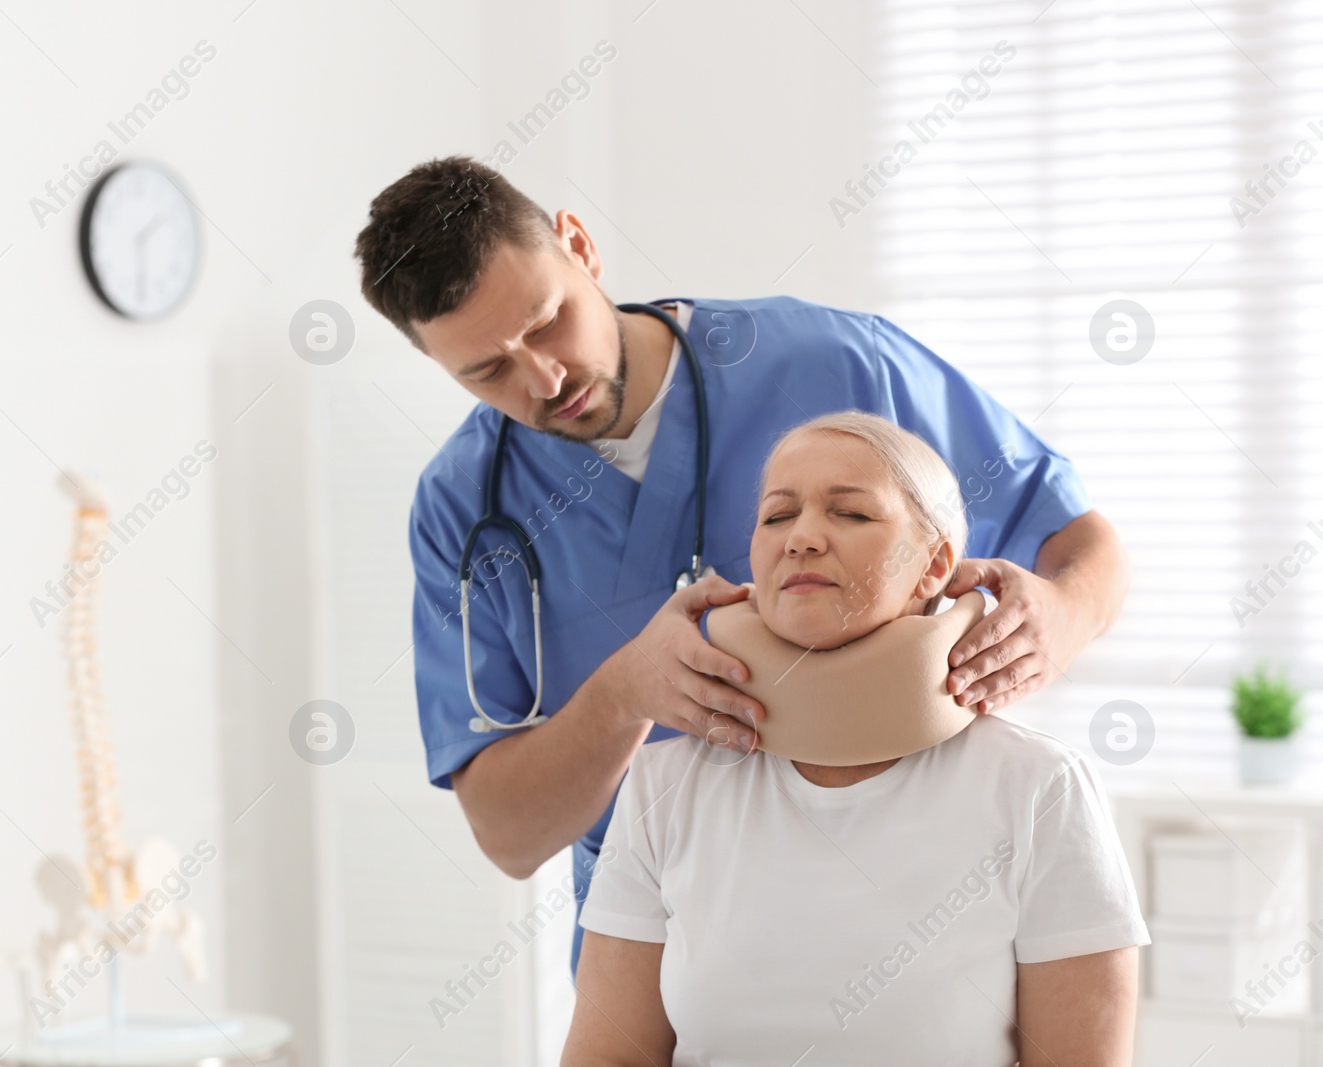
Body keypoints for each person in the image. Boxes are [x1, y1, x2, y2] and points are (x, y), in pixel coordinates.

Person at [351, 155, 1129, 974]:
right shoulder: (463, 506)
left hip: (914, 915)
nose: (544, 378)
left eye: (547, 322)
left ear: (579, 245)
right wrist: (623, 694)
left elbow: (1081, 542)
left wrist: (1064, 615)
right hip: (659, 956)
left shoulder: (834, 362)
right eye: (488, 370)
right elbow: (510, 835)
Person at [562, 411, 1148, 1066]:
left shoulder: (1039, 788)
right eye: (778, 516)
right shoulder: (664, 785)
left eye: (851, 514)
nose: (802, 537)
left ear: (934, 565)